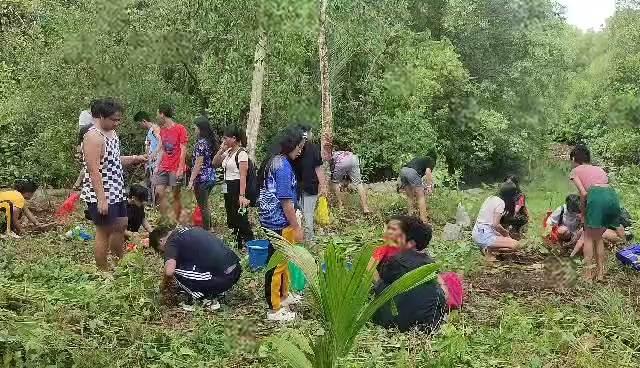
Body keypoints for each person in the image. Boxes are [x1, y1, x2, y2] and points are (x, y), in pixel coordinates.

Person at [81, 98, 147, 271]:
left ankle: (120, 262)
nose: (117, 123)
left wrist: (133, 159)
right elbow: (94, 169)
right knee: (104, 231)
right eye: (114, 119)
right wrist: (101, 199)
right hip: (102, 192)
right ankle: (102, 270)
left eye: (119, 119)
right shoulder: (93, 137)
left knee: (121, 225)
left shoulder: (112, 134)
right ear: (101, 116)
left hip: (117, 190)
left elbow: (114, 161)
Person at [372, 216, 463, 333]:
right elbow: (442, 290)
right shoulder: (427, 263)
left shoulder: (391, 259)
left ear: (410, 242)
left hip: (388, 318)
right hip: (425, 323)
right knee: (451, 279)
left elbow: (374, 277)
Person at [258, 127, 305, 322]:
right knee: (277, 264)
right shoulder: (283, 166)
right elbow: (285, 201)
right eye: (299, 147)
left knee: (284, 260)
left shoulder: (276, 160)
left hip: (272, 219)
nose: (300, 151)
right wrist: (296, 227)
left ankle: (284, 296)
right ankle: (274, 307)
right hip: (279, 221)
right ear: (291, 145)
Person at [150, 225, 242, 311]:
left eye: (160, 250)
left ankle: (205, 299)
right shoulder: (188, 229)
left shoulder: (171, 241)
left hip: (224, 278)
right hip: (236, 270)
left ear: (161, 241)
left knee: (175, 271)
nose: (163, 252)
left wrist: (164, 283)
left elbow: (169, 271)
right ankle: (216, 291)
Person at [569, 145, 621, 281]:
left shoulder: (575, 171)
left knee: (588, 237)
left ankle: (587, 275)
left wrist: (583, 213)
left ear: (574, 158)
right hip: (612, 196)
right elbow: (603, 186)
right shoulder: (599, 169)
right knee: (598, 238)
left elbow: (584, 193)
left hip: (596, 198)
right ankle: (600, 273)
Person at [213, 125, 254, 247]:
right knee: (231, 215)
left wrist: (242, 195)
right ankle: (237, 241)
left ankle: (250, 241)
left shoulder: (241, 154)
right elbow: (215, 163)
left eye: (226, 138)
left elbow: (243, 175)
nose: (224, 140)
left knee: (240, 216)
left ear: (234, 138)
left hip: (237, 186)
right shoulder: (228, 152)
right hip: (227, 186)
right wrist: (221, 150)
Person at [292, 124, 327, 241]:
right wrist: (323, 186)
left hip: (303, 186)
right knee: (305, 214)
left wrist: (323, 186)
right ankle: (306, 239)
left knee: (302, 214)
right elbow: (319, 168)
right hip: (303, 186)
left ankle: (308, 239)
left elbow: (318, 168)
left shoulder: (296, 146)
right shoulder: (311, 147)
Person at [154, 103, 188, 220]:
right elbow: (162, 150)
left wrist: (180, 168)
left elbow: (183, 150)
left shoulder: (180, 129)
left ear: (162, 114)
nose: (157, 115)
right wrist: (157, 166)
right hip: (164, 167)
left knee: (175, 196)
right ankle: (165, 219)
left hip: (175, 167)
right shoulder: (162, 131)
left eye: (158, 113)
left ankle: (177, 220)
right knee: (159, 192)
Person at [472, 182, 520, 261]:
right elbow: (496, 225)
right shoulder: (501, 202)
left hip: (477, 232)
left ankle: (489, 251)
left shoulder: (490, 198)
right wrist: (505, 233)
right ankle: (488, 249)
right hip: (484, 235)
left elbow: (490, 223)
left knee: (503, 237)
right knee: (516, 245)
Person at [186, 116, 219, 231]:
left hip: (202, 178)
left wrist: (191, 180)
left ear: (200, 129)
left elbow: (198, 163)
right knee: (205, 204)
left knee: (203, 206)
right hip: (211, 176)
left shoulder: (200, 143)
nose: (194, 130)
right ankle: (208, 227)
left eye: (195, 128)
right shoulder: (209, 142)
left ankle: (207, 230)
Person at [330, 145, 370, 214]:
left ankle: (340, 206)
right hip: (354, 159)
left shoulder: (334, 154)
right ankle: (365, 208)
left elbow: (332, 169)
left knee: (335, 183)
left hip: (342, 162)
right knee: (359, 184)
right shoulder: (347, 152)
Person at [397, 154, 436, 223]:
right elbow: (428, 172)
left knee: (410, 197)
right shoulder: (430, 160)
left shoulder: (419, 158)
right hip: (412, 172)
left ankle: (410, 216)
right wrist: (429, 186)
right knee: (421, 197)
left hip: (403, 171)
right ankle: (424, 220)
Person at [134, 111, 161, 203]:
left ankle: (156, 206)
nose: (139, 126)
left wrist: (155, 154)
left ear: (143, 121)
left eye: (139, 123)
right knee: (149, 184)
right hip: (150, 163)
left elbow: (162, 142)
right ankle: (152, 204)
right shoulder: (149, 132)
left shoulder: (155, 129)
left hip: (157, 163)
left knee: (156, 185)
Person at [500, 175, 529, 240]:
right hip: (504, 214)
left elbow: (516, 210)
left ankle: (516, 234)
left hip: (515, 215)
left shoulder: (520, 195)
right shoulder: (502, 195)